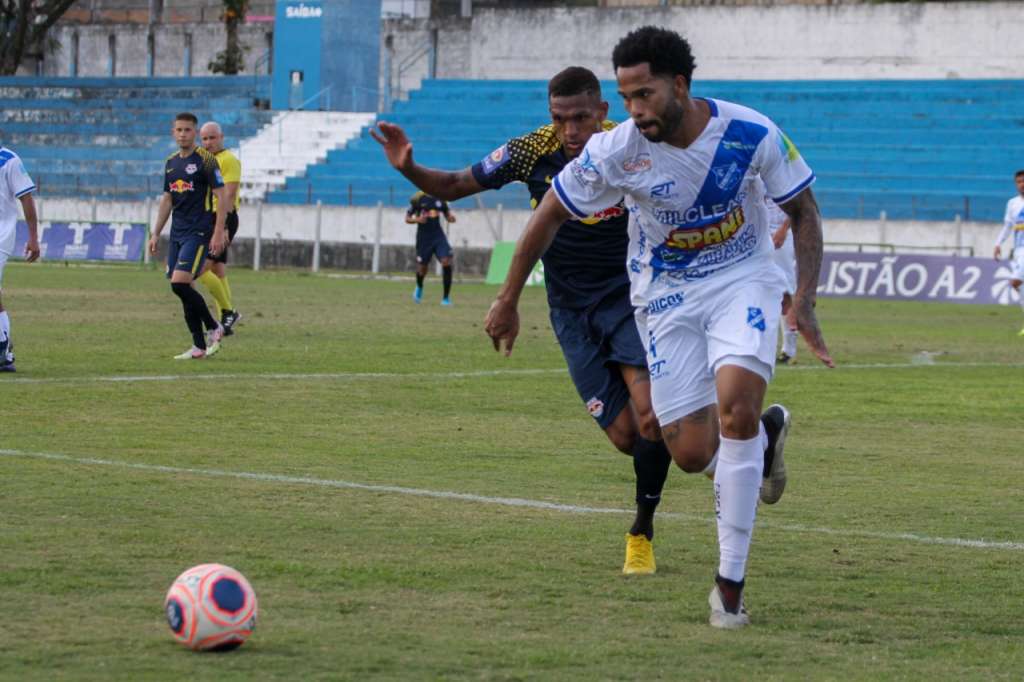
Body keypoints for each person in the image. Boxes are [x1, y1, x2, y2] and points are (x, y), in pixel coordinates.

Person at [484, 27, 833, 628]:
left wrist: (804, 299)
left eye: (644, 94)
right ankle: (765, 438)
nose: (634, 109)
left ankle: (729, 588)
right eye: (625, 98)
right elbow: (549, 214)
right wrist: (508, 297)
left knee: (736, 408)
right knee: (690, 453)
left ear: (680, 85)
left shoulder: (751, 133)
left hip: (741, 279)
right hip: (665, 294)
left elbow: (803, 209)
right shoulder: (616, 150)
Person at [375, 67, 754, 577]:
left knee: (651, 418)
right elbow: (457, 184)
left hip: (631, 299)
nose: (570, 131)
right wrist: (409, 168)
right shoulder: (532, 150)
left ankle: (641, 531)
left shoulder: (630, 146)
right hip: (570, 312)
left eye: (580, 118)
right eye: (560, 119)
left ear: (602, 112)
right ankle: (738, 446)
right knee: (627, 436)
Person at [148, 112, 228, 360]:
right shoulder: (171, 163)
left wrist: (218, 232)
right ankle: (198, 346)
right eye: (179, 130)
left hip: (199, 231)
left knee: (179, 283)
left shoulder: (206, 160)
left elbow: (222, 196)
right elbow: (167, 199)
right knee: (184, 289)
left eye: (187, 130)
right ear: (173, 132)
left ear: (195, 132)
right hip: (177, 233)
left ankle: (214, 326)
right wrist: (155, 233)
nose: (183, 134)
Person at [198, 121, 243, 334]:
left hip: (223, 217)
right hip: (208, 217)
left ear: (221, 137)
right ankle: (226, 319)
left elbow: (229, 194)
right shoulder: (203, 160)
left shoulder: (229, 160)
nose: (208, 142)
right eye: (205, 139)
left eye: (212, 138)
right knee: (217, 269)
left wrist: (223, 226)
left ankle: (228, 312)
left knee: (200, 269)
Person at [0, 146, 40, 373]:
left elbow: (26, 197)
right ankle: (3, 352)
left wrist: (33, 237)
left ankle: (3, 347)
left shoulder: (9, 160)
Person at [405, 192, 456, 305]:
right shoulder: (418, 199)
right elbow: (407, 219)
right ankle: (419, 286)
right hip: (424, 238)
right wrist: (417, 219)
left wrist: (451, 218)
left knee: (446, 261)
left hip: (438, 236)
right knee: (422, 269)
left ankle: (446, 298)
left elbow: (448, 216)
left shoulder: (441, 199)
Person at [767, 195, 799, 363]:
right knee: (762, 290)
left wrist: (784, 229)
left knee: (785, 290)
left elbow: (797, 206)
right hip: (760, 231)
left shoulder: (784, 180)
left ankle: (789, 349)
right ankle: (765, 346)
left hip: (782, 233)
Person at [993, 169, 1024, 334]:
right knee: (1021, 287)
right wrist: (998, 243)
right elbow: (1007, 226)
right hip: (1019, 250)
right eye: (1019, 182)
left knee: (1015, 282)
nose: (1022, 184)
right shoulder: (1013, 204)